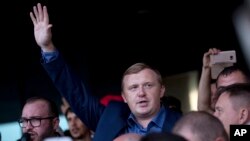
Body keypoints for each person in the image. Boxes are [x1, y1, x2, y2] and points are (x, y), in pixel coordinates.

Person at [29, 3, 182, 141]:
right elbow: (76, 94)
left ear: (161, 90)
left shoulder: (182, 125)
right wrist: (48, 48)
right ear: (124, 96)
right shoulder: (109, 116)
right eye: (133, 88)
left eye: (148, 85)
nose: (141, 93)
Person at [198, 48, 250, 114]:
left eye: (235, 89)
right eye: (222, 91)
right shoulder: (223, 119)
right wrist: (206, 68)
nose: (228, 94)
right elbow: (203, 108)